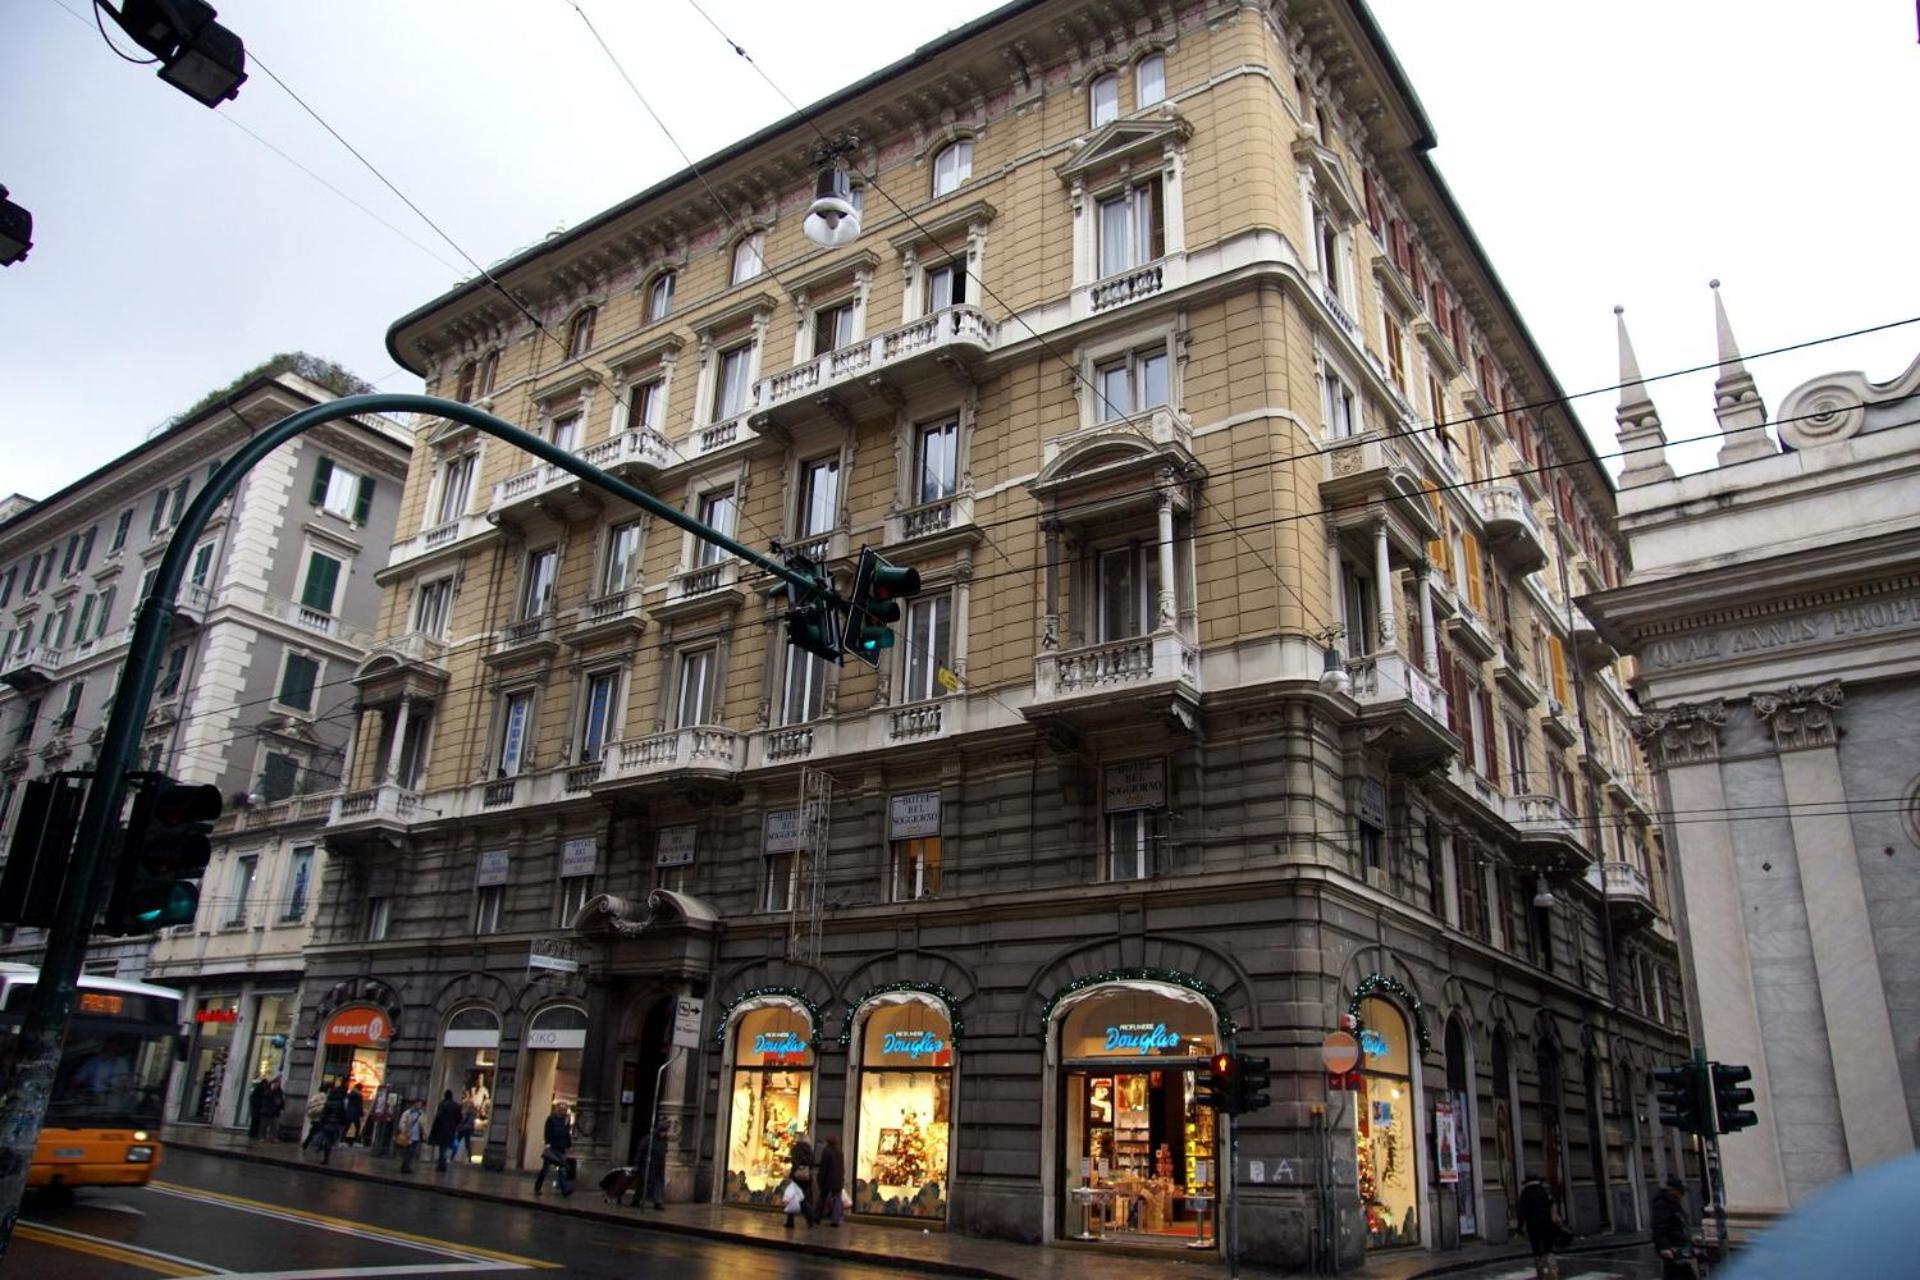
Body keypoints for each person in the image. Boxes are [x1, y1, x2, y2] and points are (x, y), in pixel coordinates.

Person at [1518, 1171, 1560, 1280]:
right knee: (1548, 1249)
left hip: (1533, 1226)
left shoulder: (1525, 1193)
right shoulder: (1543, 1191)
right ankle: (1552, 1270)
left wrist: (1519, 1228)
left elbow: (1521, 1213)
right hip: (1547, 1224)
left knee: (1536, 1249)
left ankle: (1541, 1273)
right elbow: (1552, 1204)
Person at [1652, 1176, 1695, 1279]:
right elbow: (1659, 1227)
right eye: (1681, 1191)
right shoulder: (1662, 1204)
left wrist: (1689, 1239)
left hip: (1679, 1248)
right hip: (1672, 1249)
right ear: (1673, 1190)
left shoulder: (1674, 1203)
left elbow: (1680, 1223)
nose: (1682, 1195)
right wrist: (1664, 1247)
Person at [533, 1101, 574, 1197]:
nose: (564, 1111)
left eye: (565, 1109)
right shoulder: (551, 1119)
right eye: (562, 1109)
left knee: (562, 1168)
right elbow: (547, 1132)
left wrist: (568, 1145)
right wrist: (548, 1144)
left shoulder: (565, 1120)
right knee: (545, 1169)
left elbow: (566, 1134)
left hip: (561, 1147)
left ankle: (564, 1189)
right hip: (552, 1147)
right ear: (558, 1109)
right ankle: (537, 1187)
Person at [784, 1135, 817, 1229]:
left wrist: (795, 1169)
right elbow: (812, 1163)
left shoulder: (796, 1149)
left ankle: (809, 1217)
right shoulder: (810, 1150)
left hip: (797, 1176)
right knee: (800, 1197)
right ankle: (790, 1221)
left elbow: (794, 1161)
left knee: (797, 1198)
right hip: (806, 1177)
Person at [815, 1134, 845, 1228]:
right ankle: (835, 1220)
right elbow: (842, 1167)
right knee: (837, 1200)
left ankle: (817, 1217)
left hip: (828, 1179)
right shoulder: (840, 1151)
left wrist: (820, 1179)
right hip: (838, 1179)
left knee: (822, 1198)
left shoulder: (827, 1151)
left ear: (828, 1142)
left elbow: (823, 1167)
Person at [640, 1116, 670, 1210]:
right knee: (644, 1183)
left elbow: (664, 1151)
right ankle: (637, 1199)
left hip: (659, 1165)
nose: (664, 1134)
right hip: (649, 1165)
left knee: (658, 1184)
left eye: (665, 1131)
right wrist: (638, 1163)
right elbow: (641, 1150)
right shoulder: (649, 1138)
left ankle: (658, 1202)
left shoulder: (664, 1140)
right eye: (663, 1131)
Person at [429, 1090, 462, 1172]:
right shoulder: (456, 1106)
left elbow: (438, 1116)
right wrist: (455, 1125)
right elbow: (459, 1118)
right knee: (447, 1147)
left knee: (442, 1147)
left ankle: (442, 1164)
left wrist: (434, 1129)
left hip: (442, 1129)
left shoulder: (442, 1104)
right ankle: (443, 1163)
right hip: (451, 1129)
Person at [315, 1084, 348, 1165]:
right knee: (332, 1140)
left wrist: (322, 1122)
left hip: (327, 1123)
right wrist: (343, 1123)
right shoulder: (341, 1102)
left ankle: (325, 1155)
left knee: (327, 1139)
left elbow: (324, 1113)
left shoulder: (329, 1101)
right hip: (336, 1124)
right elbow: (342, 1114)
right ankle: (326, 1153)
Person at [395, 1098, 425, 1174]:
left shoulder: (421, 1114)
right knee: (408, 1151)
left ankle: (406, 1166)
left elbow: (423, 1124)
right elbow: (402, 1123)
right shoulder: (407, 1113)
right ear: (414, 1104)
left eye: (420, 1105)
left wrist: (424, 1133)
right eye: (418, 1104)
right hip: (408, 1135)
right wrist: (404, 1131)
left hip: (416, 1135)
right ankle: (405, 1166)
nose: (419, 1106)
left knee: (412, 1152)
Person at [300, 1083, 330, 1150]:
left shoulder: (315, 1096)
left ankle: (306, 1145)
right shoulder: (326, 1097)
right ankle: (319, 1146)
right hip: (321, 1118)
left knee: (312, 1132)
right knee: (322, 1132)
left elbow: (309, 1105)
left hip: (314, 1117)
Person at [262, 1076, 286, 1141]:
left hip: (275, 1111)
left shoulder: (279, 1092)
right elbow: (266, 1094)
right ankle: (263, 1137)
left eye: (278, 1083)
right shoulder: (268, 1090)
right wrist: (273, 1081)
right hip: (267, 1110)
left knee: (274, 1126)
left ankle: (273, 1137)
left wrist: (281, 1107)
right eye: (276, 1083)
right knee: (264, 1125)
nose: (277, 1085)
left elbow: (282, 1101)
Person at [247, 1076, 271, 1140]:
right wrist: (260, 1104)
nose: (265, 1086)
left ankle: (254, 1134)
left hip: (258, 1110)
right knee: (255, 1123)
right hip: (256, 1110)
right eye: (265, 1084)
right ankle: (253, 1134)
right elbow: (253, 1099)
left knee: (257, 1123)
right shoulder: (258, 1090)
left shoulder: (261, 1090)